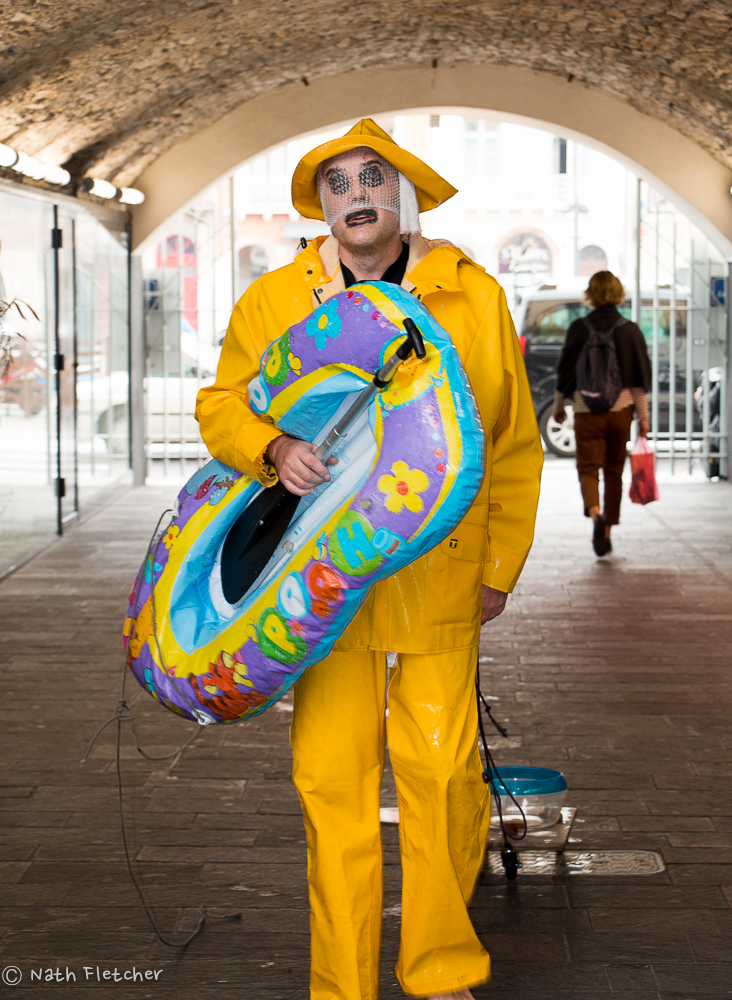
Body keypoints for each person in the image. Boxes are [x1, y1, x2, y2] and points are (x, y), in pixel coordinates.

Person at [196, 118, 543, 1000]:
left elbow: (510, 441)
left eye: (372, 179)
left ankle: (438, 970)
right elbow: (221, 405)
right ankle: (341, 983)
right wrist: (271, 447)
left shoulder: (473, 297)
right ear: (322, 206)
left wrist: (499, 564)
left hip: (440, 570)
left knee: (442, 773)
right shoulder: (275, 299)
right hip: (323, 578)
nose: (356, 195)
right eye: (338, 184)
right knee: (333, 780)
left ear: (402, 195)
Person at [553, 271, 651, 556]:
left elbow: (565, 372)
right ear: (618, 293)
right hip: (620, 411)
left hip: (586, 409)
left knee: (588, 467)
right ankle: (607, 525)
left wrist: (559, 406)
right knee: (613, 470)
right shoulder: (629, 329)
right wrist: (643, 418)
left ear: (591, 293)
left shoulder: (579, 328)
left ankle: (594, 512)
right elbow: (638, 379)